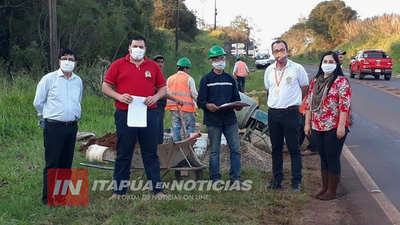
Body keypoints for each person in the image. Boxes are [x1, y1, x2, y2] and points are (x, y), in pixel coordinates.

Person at [102, 35, 166, 199]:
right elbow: (106, 86)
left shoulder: (152, 66)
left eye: (141, 47)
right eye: (135, 46)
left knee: (150, 152)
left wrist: (156, 97)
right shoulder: (118, 65)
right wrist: (119, 96)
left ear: (145, 49)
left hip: (149, 113)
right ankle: (118, 191)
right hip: (125, 113)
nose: (138, 49)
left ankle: (157, 190)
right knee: (124, 152)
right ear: (129, 48)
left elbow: (162, 88)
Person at [33, 49, 83, 205]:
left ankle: (61, 197)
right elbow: (38, 102)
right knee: (53, 163)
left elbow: (78, 100)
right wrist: (50, 115)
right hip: (54, 127)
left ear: (75, 63)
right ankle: (48, 199)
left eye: (71, 59)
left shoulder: (78, 81)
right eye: (64, 58)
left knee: (66, 164)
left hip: (71, 127)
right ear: (59, 61)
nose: (67, 61)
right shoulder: (49, 79)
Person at [304, 51, 351, 200]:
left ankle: (332, 190)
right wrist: (307, 124)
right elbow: (309, 104)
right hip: (317, 125)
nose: (327, 65)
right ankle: (324, 187)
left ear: (337, 64)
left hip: (334, 126)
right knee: (323, 156)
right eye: (325, 61)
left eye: (331, 62)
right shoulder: (315, 81)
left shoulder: (341, 81)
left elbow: (345, 105)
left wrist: (341, 125)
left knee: (332, 156)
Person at [197, 45, 247, 186]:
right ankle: (215, 178)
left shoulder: (230, 79)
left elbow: (236, 98)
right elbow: (200, 101)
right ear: (211, 62)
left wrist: (237, 106)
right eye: (217, 58)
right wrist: (207, 106)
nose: (221, 61)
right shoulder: (206, 79)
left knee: (235, 149)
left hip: (230, 119)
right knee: (214, 150)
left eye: (222, 58)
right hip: (213, 120)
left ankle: (236, 178)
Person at [263, 40, 309, 191]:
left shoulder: (297, 69)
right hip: (274, 114)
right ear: (273, 54)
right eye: (276, 51)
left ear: (288, 51)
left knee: (293, 148)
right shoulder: (269, 70)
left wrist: (295, 102)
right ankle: (277, 180)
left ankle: (296, 181)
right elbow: (268, 90)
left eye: (282, 50)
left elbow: (305, 87)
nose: (279, 53)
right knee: (276, 148)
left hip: (291, 113)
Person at [165, 57, 198, 141]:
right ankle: (187, 145)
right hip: (187, 108)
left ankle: (177, 146)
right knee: (190, 126)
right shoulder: (189, 78)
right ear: (185, 68)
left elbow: (166, 91)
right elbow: (194, 94)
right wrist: (199, 103)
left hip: (173, 107)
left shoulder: (170, 78)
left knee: (176, 127)